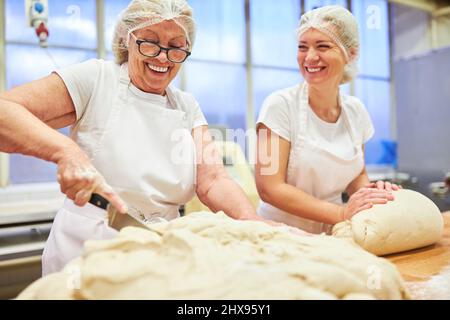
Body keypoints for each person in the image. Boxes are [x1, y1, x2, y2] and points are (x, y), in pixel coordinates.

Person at [0, 0, 265, 275]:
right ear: (128, 39)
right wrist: (65, 152)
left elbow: (213, 180)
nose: (162, 58)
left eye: (175, 47)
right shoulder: (97, 79)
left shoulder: (186, 105)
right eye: (149, 42)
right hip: (91, 246)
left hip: (162, 246)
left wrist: (252, 220)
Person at [255, 5, 401, 234]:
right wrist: (342, 213)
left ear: (350, 54)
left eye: (323, 46)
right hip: (279, 235)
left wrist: (372, 195)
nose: (310, 57)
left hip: (335, 234)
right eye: (303, 47)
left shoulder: (356, 112)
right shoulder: (277, 106)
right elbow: (269, 188)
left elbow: (357, 175)